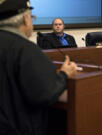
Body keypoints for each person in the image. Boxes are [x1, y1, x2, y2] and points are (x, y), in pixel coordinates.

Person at [0, 0, 77, 135]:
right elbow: (46, 93)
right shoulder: (25, 49)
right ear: (25, 19)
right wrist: (64, 74)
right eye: (32, 17)